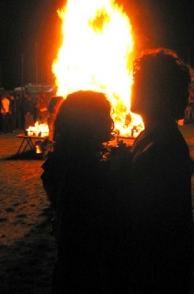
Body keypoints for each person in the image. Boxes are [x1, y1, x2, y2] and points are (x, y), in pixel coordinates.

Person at [41, 90, 129, 294]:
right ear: (89, 122)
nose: (111, 120)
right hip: (87, 270)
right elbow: (103, 217)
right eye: (105, 114)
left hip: (70, 267)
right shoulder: (83, 169)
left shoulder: (62, 160)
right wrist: (120, 171)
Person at [129, 48, 194, 293]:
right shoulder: (150, 135)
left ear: (156, 92)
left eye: (138, 82)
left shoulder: (163, 145)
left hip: (156, 275)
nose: (131, 87)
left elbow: (149, 223)